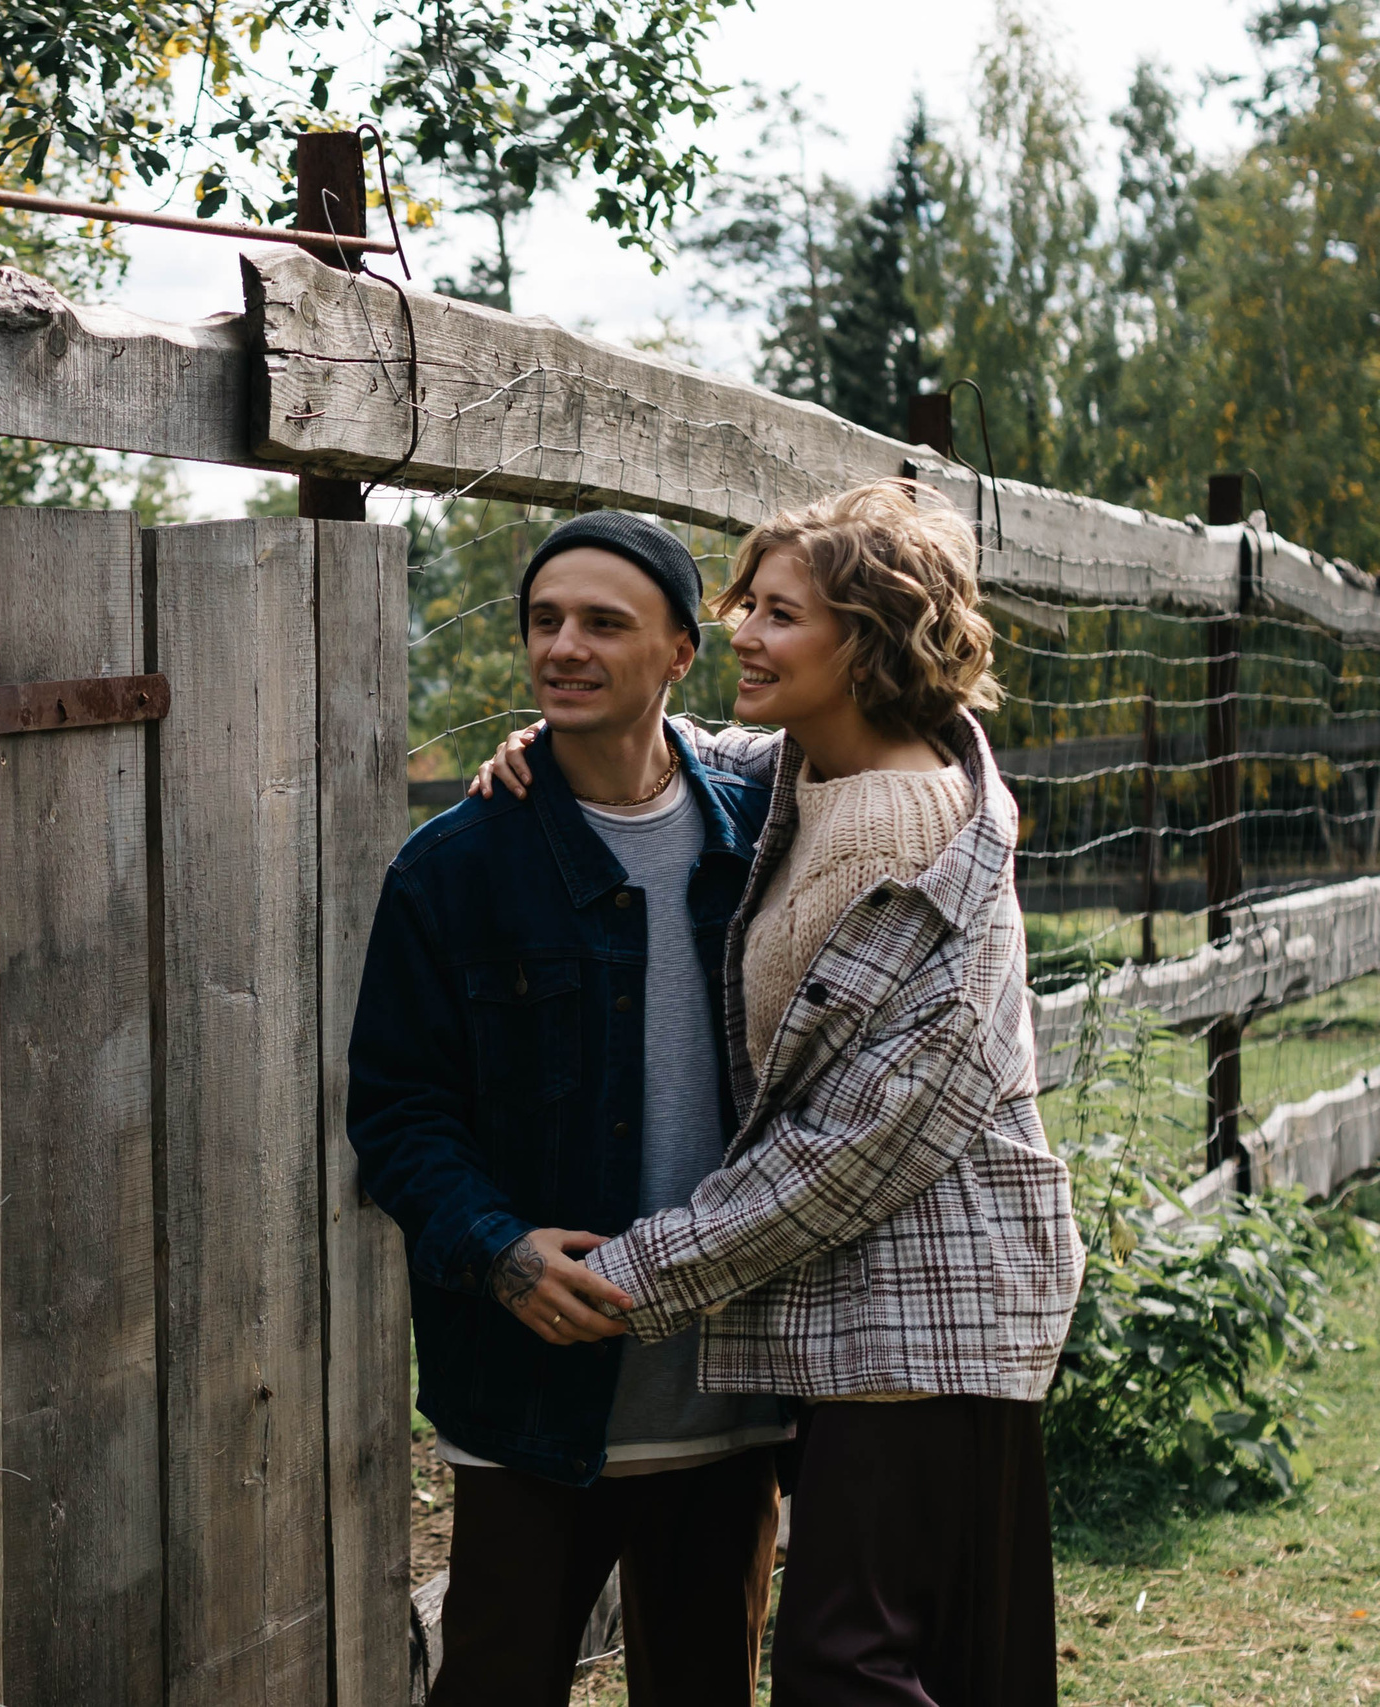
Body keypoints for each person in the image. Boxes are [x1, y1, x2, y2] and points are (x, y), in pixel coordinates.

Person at [471, 481, 1086, 1706]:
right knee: (922, 1657)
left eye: (781, 614)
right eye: (744, 604)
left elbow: (850, 1149)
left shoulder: (912, 838)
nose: (744, 633)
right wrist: (562, 734)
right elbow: (694, 749)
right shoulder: (810, 772)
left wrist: (638, 1275)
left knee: (841, 1666)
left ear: (868, 642)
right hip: (861, 1315)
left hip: (929, 1308)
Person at [347, 512, 791, 1707]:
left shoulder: (764, 835)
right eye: (545, 621)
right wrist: (498, 1255)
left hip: (732, 1386)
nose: (564, 647)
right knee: (496, 1682)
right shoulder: (453, 868)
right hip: (533, 1393)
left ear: (680, 653)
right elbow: (396, 1114)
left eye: (604, 622)